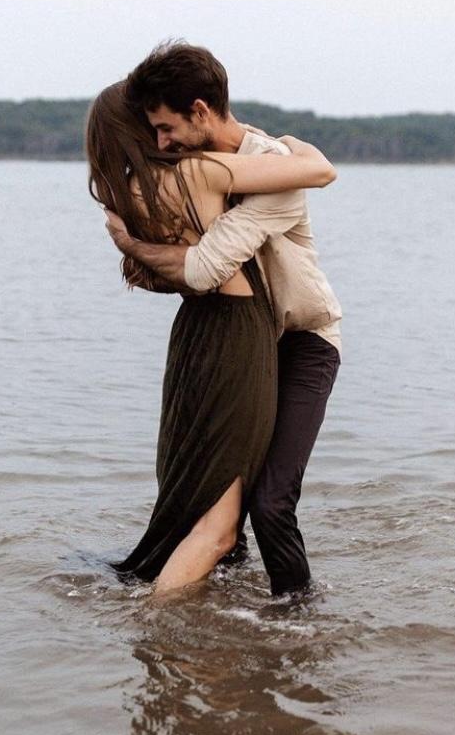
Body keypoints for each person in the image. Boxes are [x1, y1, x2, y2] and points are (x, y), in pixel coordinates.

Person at [105, 41, 342, 597]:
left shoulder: (279, 174)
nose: (161, 143)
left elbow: (206, 268)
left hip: (304, 342)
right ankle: (222, 612)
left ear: (201, 112)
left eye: (166, 128)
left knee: (270, 500)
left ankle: (296, 622)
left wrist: (129, 242)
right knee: (217, 492)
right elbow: (168, 275)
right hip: (248, 344)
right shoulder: (202, 171)